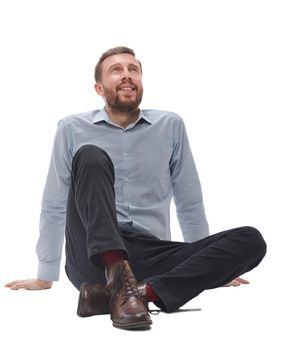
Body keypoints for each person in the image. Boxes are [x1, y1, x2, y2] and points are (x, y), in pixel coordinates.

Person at [5, 46, 266, 330]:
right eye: (116, 70)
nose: (127, 75)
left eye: (134, 70)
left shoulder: (170, 125)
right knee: (91, 156)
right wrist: (46, 273)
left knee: (251, 240)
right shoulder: (71, 128)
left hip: (149, 255)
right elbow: (54, 203)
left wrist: (205, 265)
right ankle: (117, 275)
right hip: (91, 257)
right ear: (99, 88)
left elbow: (189, 201)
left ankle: (133, 293)